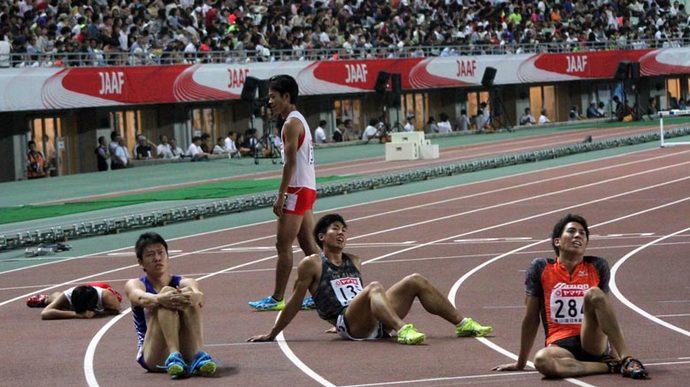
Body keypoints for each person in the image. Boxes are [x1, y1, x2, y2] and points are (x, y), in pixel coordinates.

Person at [248, 214, 493, 345]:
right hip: (350, 324)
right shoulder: (311, 263)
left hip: (369, 318)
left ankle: (463, 324)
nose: (342, 232)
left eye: (344, 229)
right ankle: (402, 330)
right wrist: (273, 333)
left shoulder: (354, 260)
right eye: (336, 228)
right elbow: (294, 302)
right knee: (374, 286)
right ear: (322, 236)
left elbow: (355, 295)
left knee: (414, 279)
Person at [493, 214, 648, 379]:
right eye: (572, 231)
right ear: (557, 241)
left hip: (592, 341)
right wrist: (521, 363)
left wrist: (617, 353)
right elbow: (531, 318)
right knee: (541, 360)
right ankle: (607, 367)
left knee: (594, 293)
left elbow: (605, 313)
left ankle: (627, 360)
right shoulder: (540, 268)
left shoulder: (597, 266)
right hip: (560, 345)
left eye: (582, 233)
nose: (578, 236)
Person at [248, 74, 319, 311]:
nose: (270, 102)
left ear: (286, 96)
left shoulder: (291, 124)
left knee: (283, 244)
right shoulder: (299, 120)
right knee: (309, 245)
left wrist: (281, 195)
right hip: (308, 187)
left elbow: (290, 163)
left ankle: (277, 297)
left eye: (273, 97)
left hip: (297, 189)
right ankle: (325, 292)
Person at [124, 232, 217, 379]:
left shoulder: (185, 282)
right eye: (150, 255)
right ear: (141, 262)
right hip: (153, 353)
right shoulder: (135, 284)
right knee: (166, 294)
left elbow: (197, 294)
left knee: (187, 293)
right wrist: (160, 298)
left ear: (168, 256)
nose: (157, 258)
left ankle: (199, 354)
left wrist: (194, 296)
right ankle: (174, 355)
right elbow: (139, 297)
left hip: (186, 349)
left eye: (161, 253)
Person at [26, 282, 122, 320]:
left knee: (119, 299)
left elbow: (116, 310)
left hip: (102, 286)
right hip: (80, 291)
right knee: (59, 300)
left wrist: (97, 313)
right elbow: (45, 313)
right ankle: (47, 299)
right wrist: (76, 314)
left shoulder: (106, 295)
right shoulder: (68, 294)